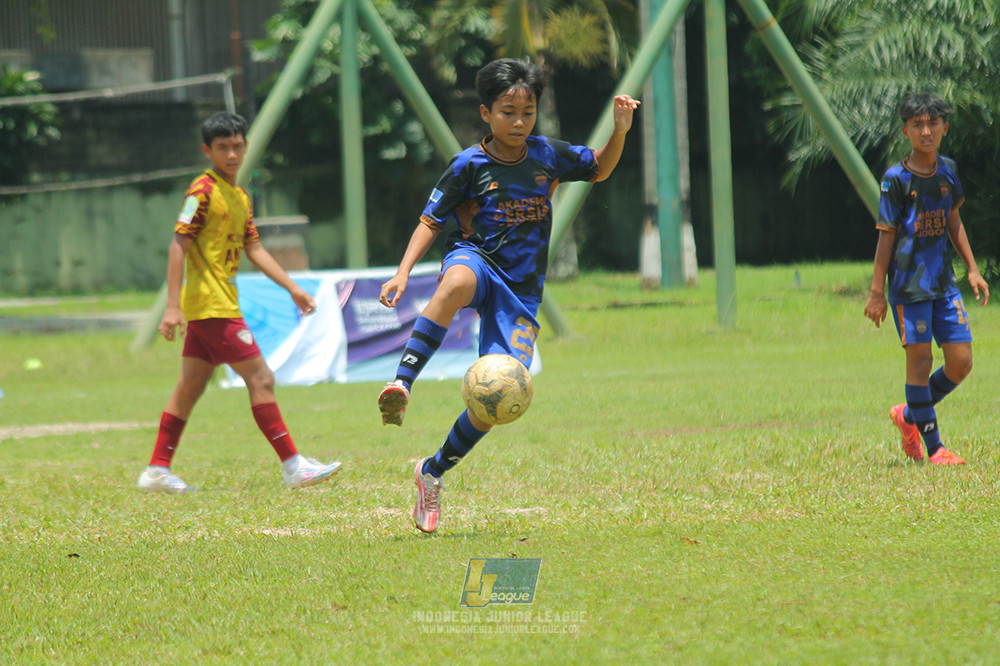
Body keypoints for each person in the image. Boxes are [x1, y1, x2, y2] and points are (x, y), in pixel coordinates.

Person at [377, 58, 639, 532]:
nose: (519, 122)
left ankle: (431, 472)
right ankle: (402, 383)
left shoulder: (546, 155)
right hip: (476, 260)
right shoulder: (468, 164)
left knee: (497, 400)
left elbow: (599, 168)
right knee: (455, 282)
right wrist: (402, 273)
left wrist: (620, 129)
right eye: (507, 112)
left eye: (527, 112)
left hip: (520, 292)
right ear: (486, 113)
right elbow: (430, 220)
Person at [137, 111, 341, 493]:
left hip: (218, 303)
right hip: (211, 305)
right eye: (222, 147)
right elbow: (178, 245)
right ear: (207, 150)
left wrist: (292, 288)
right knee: (261, 378)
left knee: (190, 386)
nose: (231, 154)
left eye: (237, 146)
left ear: (245, 146)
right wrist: (172, 306)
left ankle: (156, 471)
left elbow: (255, 248)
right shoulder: (202, 192)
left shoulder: (239, 196)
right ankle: (294, 466)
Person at [864, 92, 989, 465]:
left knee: (961, 362)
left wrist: (972, 267)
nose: (926, 130)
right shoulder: (895, 179)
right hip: (907, 288)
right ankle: (935, 449)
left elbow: (953, 220)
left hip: (943, 284)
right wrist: (876, 292)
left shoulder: (948, 170)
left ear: (944, 128)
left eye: (932, 123)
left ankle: (907, 416)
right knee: (918, 364)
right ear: (905, 131)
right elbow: (886, 234)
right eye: (917, 124)